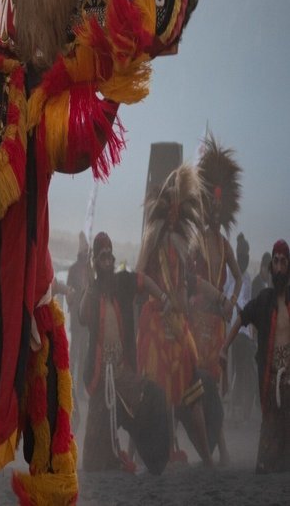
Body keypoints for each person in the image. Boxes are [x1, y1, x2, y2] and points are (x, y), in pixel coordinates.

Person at [137, 162, 228, 467]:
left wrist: (221, 298)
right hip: (155, 325)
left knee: (193, 394)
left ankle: (207, 457)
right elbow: (139, 276)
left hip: (179, 327)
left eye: (179, 209)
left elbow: (192, 282)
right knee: (154, 394)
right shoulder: (152, 241)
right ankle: (143, 455)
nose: (175, 215)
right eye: (172, 209)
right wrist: (161, 296)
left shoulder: (182, 250)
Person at [78, 232, 167, 472]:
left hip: (123, 373)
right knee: (92, 462)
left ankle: (155, 461)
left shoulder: (122, 282)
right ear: (97, 261)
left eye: (109, 256)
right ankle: (112, 456)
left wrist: (163, 297)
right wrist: (88, 285)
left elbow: (144, 280)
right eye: (102, 257)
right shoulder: (93, 291)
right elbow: (83, 316)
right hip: (100, 378)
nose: (107, 261)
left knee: (153, 398)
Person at [189, 133, 242, 465]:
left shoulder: (224, 245)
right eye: (213, 204)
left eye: (220, 207)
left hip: (217, 326)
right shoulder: (196, 240)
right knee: (200, 385)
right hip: (197, 322)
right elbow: (190, 278)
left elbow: (239, 276)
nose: (216, 210)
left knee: (215, 384)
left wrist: (232, 300)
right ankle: (211, 448)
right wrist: (217, 295)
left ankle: (220, 448)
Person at [220, 238, 290, 473]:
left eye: (283, 262)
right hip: (270, 381)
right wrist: (224, 347)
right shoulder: (264, 300)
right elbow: (242, 318)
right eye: (276, 262)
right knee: (265, 459)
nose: (278, 267)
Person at [228, 233, 257, 424]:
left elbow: (249, 304)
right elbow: (225, 297)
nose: (244, 257)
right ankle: (233, 409)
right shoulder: (230, 274)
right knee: (233, 370)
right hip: (232, 331)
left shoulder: (247, 277)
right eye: (242, 253)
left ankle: (240, 410)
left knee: (243, 371)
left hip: (245, 333)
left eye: (246, 253)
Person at [67, 232, 93, 419]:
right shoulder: (73, 270)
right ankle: (69, 387)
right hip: (77, 319)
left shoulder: (90, 270)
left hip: (87, 320)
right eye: (85, 253)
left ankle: (80, 389)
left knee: (83, 354)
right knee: (74, 354)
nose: (87, 255)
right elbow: (70, 292)